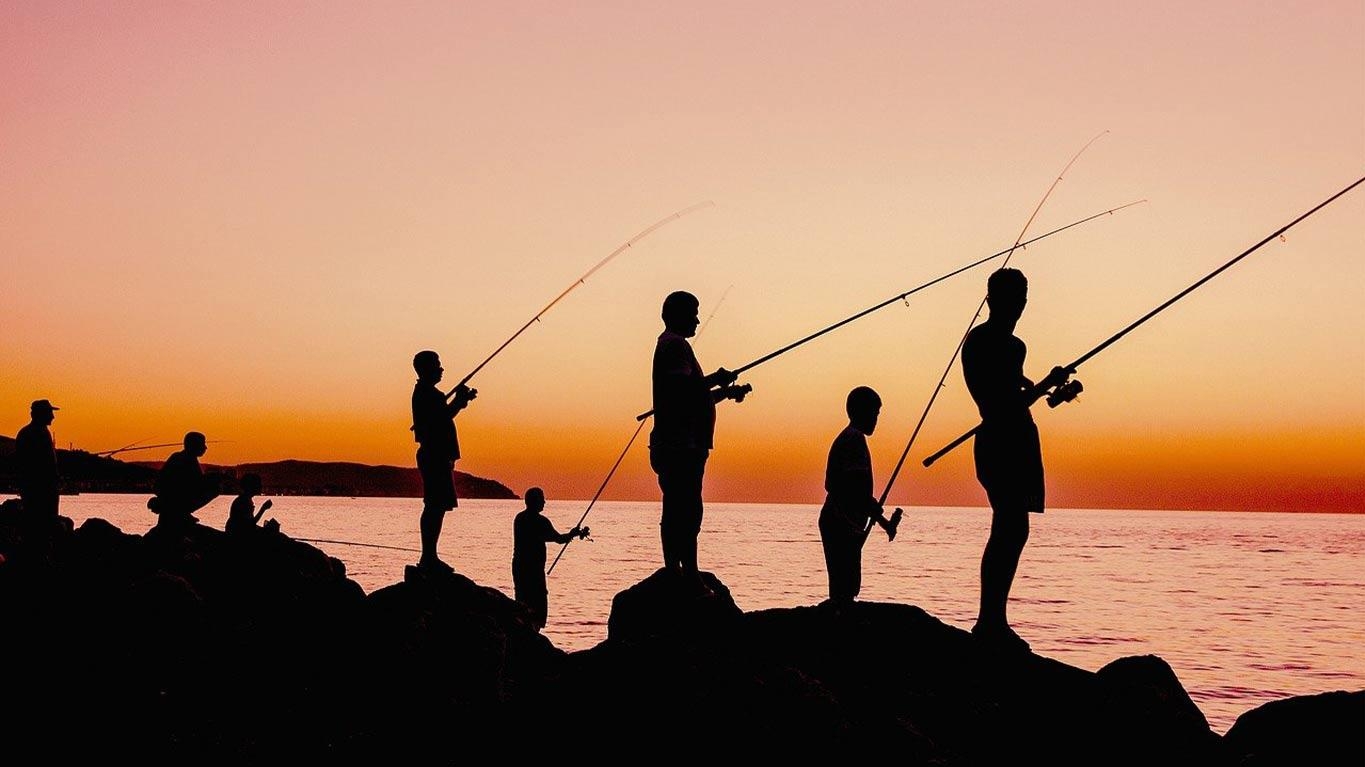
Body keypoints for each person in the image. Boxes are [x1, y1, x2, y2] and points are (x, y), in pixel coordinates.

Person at [961, 268, 1073, 651]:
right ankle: (990, 622)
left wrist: (1046, 383)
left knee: (1014, 528)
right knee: (1008, 527)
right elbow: (1003, 401)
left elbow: (1015, 385)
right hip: (1001, 440)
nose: (1020, 304)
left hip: (1015, 439)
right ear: (992, 299)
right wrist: (1042, 386)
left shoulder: (1004, 345)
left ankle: (993, 619)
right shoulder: (991, 342)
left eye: (1023, 296)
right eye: (1014, 296)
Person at [648, 290, 751, 594]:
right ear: (677, 315)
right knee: (687, 509)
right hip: (681, 445)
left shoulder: (670, 346)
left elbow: (689, 398)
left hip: (677, 443)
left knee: (677, 506)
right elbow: (682, 390)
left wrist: (725, 394)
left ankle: (675, 571)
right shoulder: (675, 346)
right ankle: (687, 574)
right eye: (693, 313)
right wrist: (716, 379)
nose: (697, 319)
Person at [819, 386, 899, 607]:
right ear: (860, 411)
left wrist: (882, 521)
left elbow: (850, 490)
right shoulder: (854, 440)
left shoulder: (849, 438)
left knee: (844, 587)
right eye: (874, 413)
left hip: (843, 522)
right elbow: (853, 489)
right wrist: (878, 517)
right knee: (845, 589)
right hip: (841, 523)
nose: (876, 419)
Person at [411, 349, 477, 573]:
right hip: (433, 456)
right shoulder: (427, 395)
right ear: (426, 369)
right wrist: (459, 401)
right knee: (434, 506)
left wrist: (460, 401)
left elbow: (442, 416)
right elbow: (440, 419)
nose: (441, 368)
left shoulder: (428, 394)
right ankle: (429, 557)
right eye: (437, 365)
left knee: (436, 506)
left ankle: (430, 555)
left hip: (436, 456)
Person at [512, 487, 587, 631]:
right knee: (537, 603)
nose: (544, 502)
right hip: (533, 569)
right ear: (535, 501)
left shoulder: (519, 518)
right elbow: (558, 539)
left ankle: (524, 632)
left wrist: (571, 534)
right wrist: (573, 534)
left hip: (519, 566)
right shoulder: (540, 521)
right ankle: (531, 635)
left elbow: (552, 537)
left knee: (522, 599)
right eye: (542, 499)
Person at [148, 431, 221, 531]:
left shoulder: (181, 457)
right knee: (216, 488)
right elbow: (196, 483)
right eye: (203, 444)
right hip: (173, 498)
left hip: (171, 498)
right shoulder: (185, 459)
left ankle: (183, 513)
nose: (205, 448)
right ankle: (182, 513)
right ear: (194, 445)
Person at [15, 399, 61, 521]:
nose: (53, 416)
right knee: (41, 523)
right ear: (41, 414)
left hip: (45, 488)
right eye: (50, 413)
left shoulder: (41, 432)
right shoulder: (32, 434)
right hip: (39, 490)